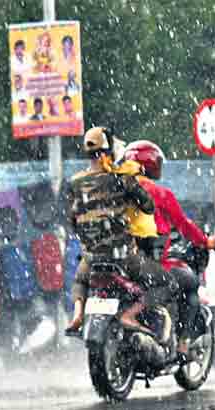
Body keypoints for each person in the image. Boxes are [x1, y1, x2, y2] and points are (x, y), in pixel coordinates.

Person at [64, 126, 167, 336]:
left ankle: (77, 313)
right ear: (109, 151)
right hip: (124, 257)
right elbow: (148, 206)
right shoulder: (122, 178)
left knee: (79, 280)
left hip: (92, 258)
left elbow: (73, 220)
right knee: (166, 284)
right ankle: (131, 313)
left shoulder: (75, 183)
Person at [123, 139, 212, 356]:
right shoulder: (158, 193)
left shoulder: (116, 190)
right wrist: (206, 241)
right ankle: (183, 343)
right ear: (151, 164)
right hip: (151, 264)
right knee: (190, 282)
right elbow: (184, 224)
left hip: (119, 262)